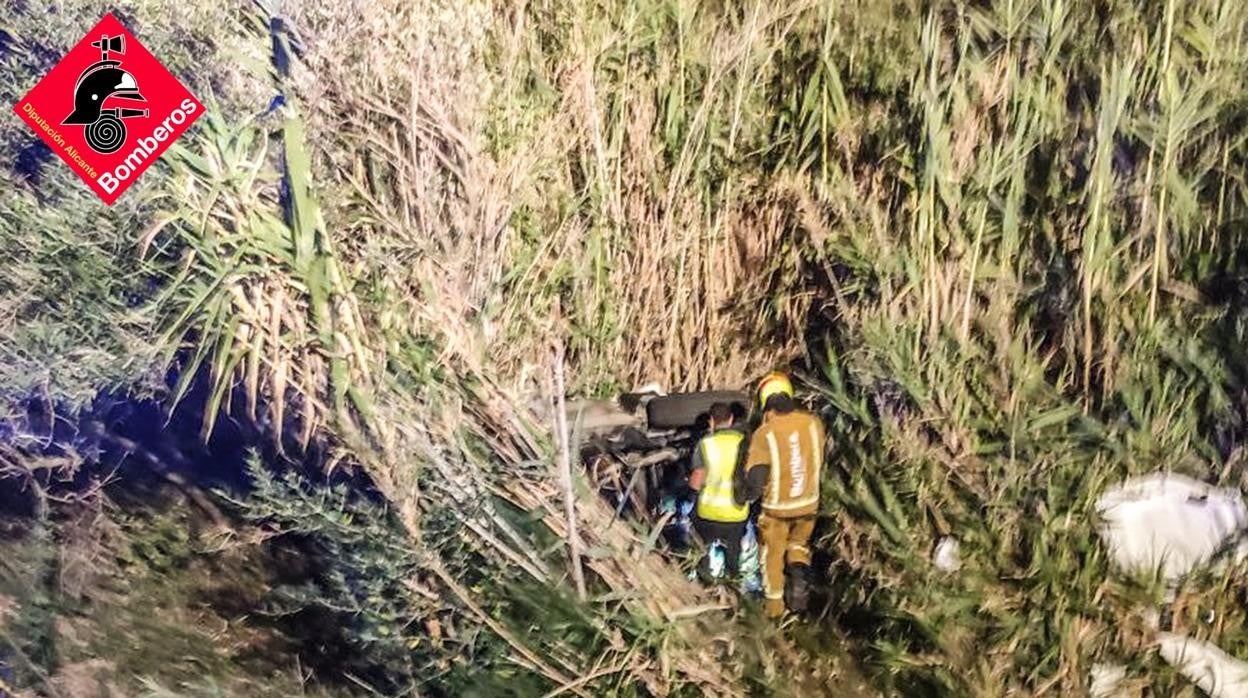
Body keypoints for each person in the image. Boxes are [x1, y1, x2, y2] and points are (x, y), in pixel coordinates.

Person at [739, 371, 826, 618]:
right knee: (798, 545)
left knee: (772, 556)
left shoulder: (764, 434)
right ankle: (799, 591)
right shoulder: (813, 423)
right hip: (809, 504)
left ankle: (775, 611)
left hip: (777, 510)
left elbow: (756, 480)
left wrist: (745, 495)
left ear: (765, 402)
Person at [687, 402, 748, 582]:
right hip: (736, 513)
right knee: (733, 553)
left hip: (708, 513)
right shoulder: (742, 442)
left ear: (711, 421)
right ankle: (733, 585)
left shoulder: (705, 444)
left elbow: (698, 477)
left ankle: (705, 584)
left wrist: (689, 494)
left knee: (701, 551)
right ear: (730, 419)